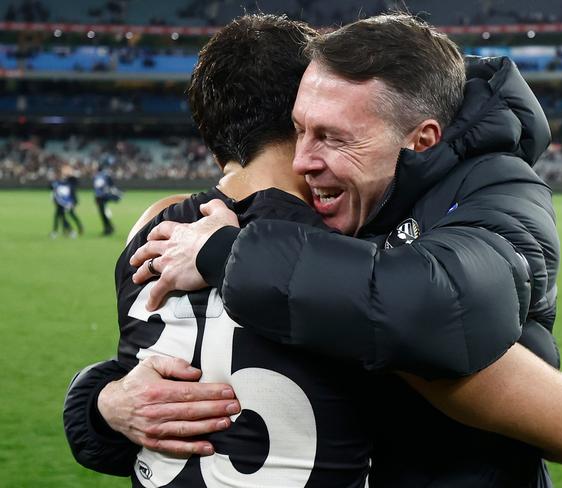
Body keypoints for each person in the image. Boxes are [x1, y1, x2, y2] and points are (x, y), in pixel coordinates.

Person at [65, 13, 562, 488]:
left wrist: (227, 254)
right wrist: (104, 405)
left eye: (332, 136)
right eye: (303, 131)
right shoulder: (333, 248)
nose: (309, 160)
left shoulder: (167, 230)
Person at [66, 15, 374, 486]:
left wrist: (101, 400)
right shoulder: (351, 244)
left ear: (212, 137)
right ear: (306, 118)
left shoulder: (151, 226)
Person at [93, 161, 122, 235]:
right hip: (103, 196)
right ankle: (110, 227)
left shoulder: (99, 176)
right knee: (104, 213)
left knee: (103, 214)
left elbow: (98, 189)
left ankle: (108, 229)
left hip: (101, 197)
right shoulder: (104, 175)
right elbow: (111, 186)